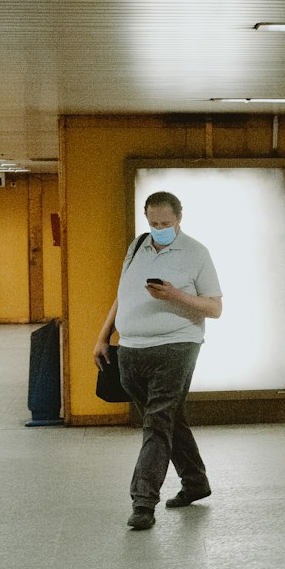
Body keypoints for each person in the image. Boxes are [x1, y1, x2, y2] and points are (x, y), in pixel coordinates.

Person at [94, 191, 223, 531]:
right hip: (132, 350)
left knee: (156, 422)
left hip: (177, 346)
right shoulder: (137, 246)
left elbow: (215, 308)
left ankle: (143, 501)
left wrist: (175, 295)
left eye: (165, 223)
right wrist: (103, 336)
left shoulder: (196, 253)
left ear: (179, 219)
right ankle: (195, 482)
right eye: (153, 223)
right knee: (166, 420)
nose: (159, 229)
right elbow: (122, 295)